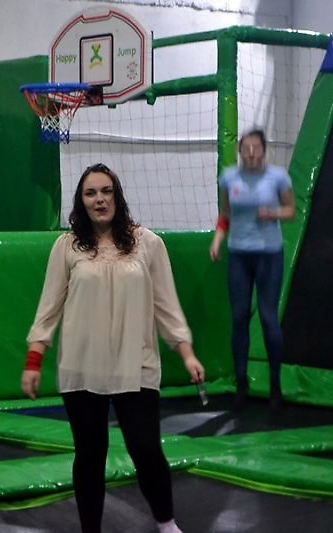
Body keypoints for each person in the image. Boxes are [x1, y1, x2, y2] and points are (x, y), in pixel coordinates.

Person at [21, 163, 205, 533]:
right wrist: (34, 360)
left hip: (135, 363)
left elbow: (166, 305)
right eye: (90, 193)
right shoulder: (67, 247)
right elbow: (48, 307)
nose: (99, 199)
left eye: (106, 191)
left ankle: (166, 523)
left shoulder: (148, 243)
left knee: (146, 447)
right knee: (90, 454)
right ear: (81, 201)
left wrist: (186, 353)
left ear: (117, 197)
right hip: (82, 365)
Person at [209, 128, 295, 412]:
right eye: (246, 148)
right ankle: (242, 383)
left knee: (269, 318)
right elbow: (225, 215)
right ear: (240, 151)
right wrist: (217, 240)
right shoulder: (229, 177)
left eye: (256, 148)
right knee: (239, 317)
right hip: (239, 255)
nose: (251, 153)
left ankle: (275, 386)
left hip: (269, 255)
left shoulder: (278, 177)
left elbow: (291, 209)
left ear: (264, 150)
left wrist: (273, 213)